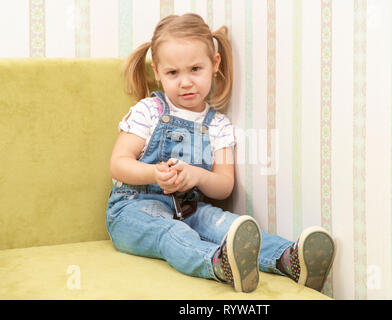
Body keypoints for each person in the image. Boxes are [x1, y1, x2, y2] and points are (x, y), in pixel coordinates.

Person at [106, 13, 336, 293]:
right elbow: (119, 164)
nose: (186, 82)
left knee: (226, 223)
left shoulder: (218, 126)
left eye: (195, 69)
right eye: (172, 73)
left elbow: (224, 186)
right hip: (133, 209)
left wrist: (196, 175)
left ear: (214, 64)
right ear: (157, 72)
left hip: (188, 208)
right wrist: (154, 172)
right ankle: (217, 263)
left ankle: (289, 259)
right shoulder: (149, 111)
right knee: (172, 232)